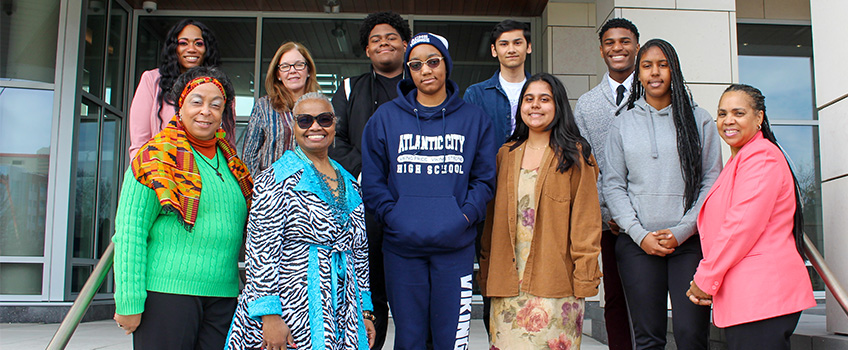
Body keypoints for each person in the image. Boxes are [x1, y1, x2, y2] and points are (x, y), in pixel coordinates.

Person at [360, 32, 496, 349]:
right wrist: (394, 217)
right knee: (409, 339)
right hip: (402, 248)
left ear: (446, 65)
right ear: (409, 70)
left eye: (433, 61)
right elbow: (373, 181)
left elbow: (484, 179)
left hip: (455, 246)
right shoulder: (386, 118)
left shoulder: (474, 119)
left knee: (452, 340)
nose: (426, 70)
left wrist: (463, 217)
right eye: (417, 64)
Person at [112, 66, 253, 350]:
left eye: (216, 105)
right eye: (197, 101)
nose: (206, 111)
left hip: (223, 297)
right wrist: (128, 301)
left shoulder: (232, 164)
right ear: (180, 105)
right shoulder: (155, 157)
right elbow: (130, 233)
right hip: (167, 295)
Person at [226, 92, 375, 350]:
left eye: (324, 119)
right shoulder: (276, 179)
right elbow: (261, 250)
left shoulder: (350, 182)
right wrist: (270, 315)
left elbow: (359, 252)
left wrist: (365, 312)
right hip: (291, 308)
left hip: (343, 309)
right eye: (305, 120)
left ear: (334, 125)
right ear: (293, 126)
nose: (315, 127)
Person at [602, 38, 722, 350]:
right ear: (638, 75)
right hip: (638, 244)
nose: (655, 72)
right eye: (647, 66)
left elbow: (712, 182)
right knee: (648, 338)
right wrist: (639, 233)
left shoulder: (700, 120)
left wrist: (683, 230)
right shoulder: (623, 123)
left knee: (691, 334)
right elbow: (613, 185)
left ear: (674, 70)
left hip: (689, 244)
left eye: (663, 64)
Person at [686, 84, 815, 350]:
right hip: (748, 298)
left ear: (759, 118)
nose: (728, 120)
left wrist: (705, 279)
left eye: (738, 112)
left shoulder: (761, 158)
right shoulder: (740, 159)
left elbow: (739, 227)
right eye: (722, 114)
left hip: (763, 296)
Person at [479, 73, 602, 348]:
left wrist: (584, 277)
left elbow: (586, 222)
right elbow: (490, 225)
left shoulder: (575, 155)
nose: (535, 105)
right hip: (507, 283)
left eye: (544, 99)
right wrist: (486, 272)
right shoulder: (505, 155)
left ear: (558, 106)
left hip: (556, 282)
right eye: (529, 99)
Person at [328, 12, 411, 349]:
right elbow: (334, 140)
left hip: (412, 205)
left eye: (391, 37)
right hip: (364, 207)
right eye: (375, 40)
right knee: (369, 295)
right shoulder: (350, 88)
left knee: (410, 294)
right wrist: (370, 174)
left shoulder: (421, 85)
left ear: (405, 44)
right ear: (366, 50)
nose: (383, 43)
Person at [573, 17, 639, 350]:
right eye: (610, 43)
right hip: (609, 224)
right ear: (601, 50)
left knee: (650, 296)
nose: (618, 48)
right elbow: (587, 166)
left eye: (625, 41)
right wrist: (608, 212)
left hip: (654, 219)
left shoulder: (656, 92)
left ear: (636, 47)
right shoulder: (587, 104)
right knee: (613, 297)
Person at [128, 19, 234, 158]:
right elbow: (139, 142)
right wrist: (142, 175)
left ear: (207, 50)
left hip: (207, 169)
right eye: (183, 43)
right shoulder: (152, 80)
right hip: (162, 168)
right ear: (173, 48)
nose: (191, 49)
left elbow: (228, 143)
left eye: (199, 43)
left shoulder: (219, 87)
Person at [242, 41, 320, 176]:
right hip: (270, 190)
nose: (292, 70)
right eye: (285, 66)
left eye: (299, 65)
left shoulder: (320, 106)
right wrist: (259, 189)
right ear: (278, 74)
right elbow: (249, 155)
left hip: (310, 189)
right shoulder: (264, 106)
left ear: (308, 71)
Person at [463, 19, 532, 145]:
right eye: (504, 44)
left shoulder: (544, 92)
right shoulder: (476, 94)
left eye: (517, 43)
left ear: (528, 47)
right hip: (491, 164)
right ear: (494, 50)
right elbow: (468, 141)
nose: (511, 50)